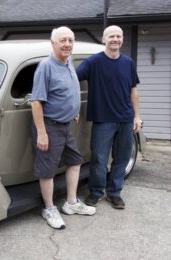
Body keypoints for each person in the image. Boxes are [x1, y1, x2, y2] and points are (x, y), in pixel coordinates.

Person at [31, 26, 96, 230]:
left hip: (65, 125)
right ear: (53, 43)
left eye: (70, 40)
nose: (67, 44)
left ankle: (71, 203)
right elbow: (36, 102)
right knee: (47, 171)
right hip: (49, 126)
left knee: (75, 161)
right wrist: (41, 133)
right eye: (63, 40)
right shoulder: (46, 66)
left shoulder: (68, 62)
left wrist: (73, 109)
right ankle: (49, 208)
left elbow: (67, 91)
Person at [76, 25, 142, 209]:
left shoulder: (128, 62)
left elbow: (133, 91)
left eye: (118, 36)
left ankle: (114, 193)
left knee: (121, 158)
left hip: (126, 119)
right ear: (103, 39)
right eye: (111, 36)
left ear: (122, 40)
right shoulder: (93, 62)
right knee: (98, 158)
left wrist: (137, 116)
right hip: (103, 119)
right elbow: (72, 79)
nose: (115, 39)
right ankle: (96, 192)